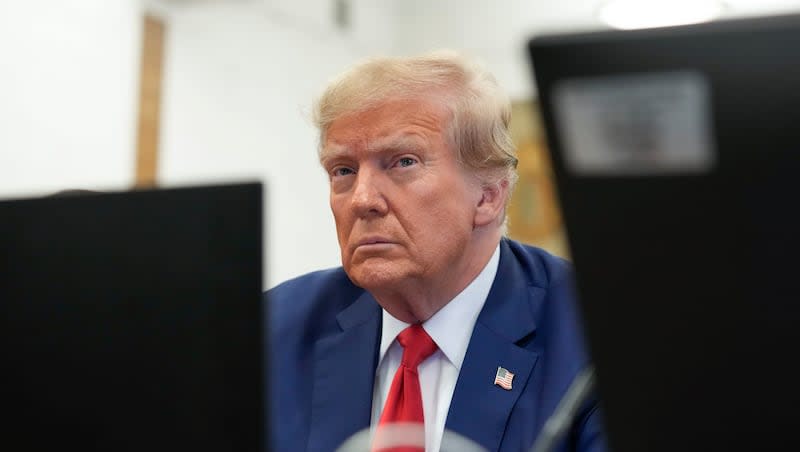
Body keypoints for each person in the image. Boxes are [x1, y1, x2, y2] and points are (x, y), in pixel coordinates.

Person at [266, 50, 606, 452]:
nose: (361, 199)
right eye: (343, 170)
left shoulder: (593, 331)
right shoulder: (274, 329)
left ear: (488, 196)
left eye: (402, 162)